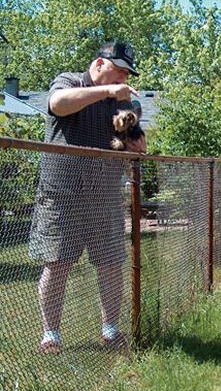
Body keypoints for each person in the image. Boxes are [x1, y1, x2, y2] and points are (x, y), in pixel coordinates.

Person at [29, 41, 146, 354]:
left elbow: (139, 144)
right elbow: (58, 104)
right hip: (62, 193)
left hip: (105, 194)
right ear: (98, 64)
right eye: (119, 70)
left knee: (110, 264)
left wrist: (133, 135)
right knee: (58, 263)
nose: (123, 78)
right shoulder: (70, 81)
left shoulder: (124, 101)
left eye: (126, 73)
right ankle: (50, 335)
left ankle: (110, 331)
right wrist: (107, 93)